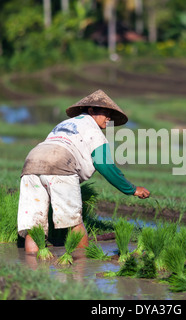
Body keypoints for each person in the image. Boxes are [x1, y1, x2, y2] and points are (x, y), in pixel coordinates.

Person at [17, 89, 150, 253]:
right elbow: (105, 166)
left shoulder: (65, 124)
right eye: (105, 113)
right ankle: (82, 268)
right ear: (91, 111)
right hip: (60, 163)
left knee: (34, 228)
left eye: (110, 114)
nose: (108, 118)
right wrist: (132, 189)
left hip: (31, 162)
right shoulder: (94, 131)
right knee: (75, 223)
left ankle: (31, 270)